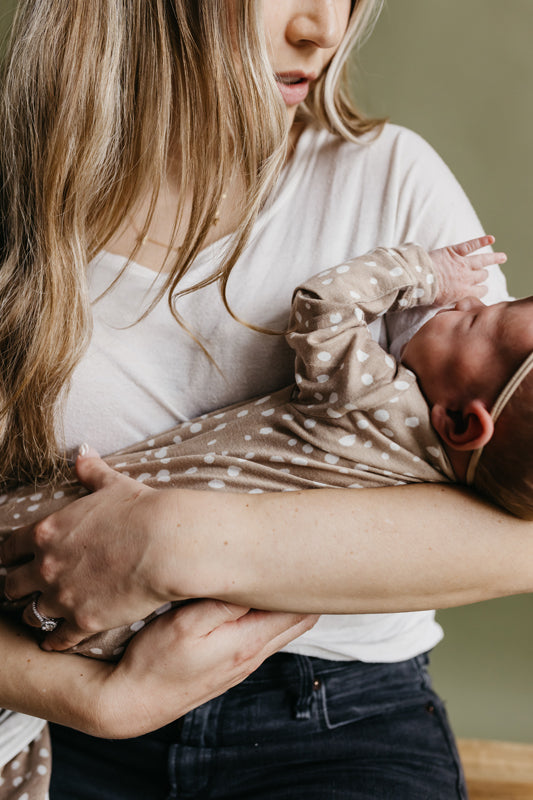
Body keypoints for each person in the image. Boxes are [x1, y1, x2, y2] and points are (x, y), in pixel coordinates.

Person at [0, 2, 532, 799]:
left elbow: (514, 523)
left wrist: (174, 540)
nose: (325, 28)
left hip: (335, 713)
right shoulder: (22, 217)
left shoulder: (385, 177)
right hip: (47, 702)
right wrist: (96, 702)